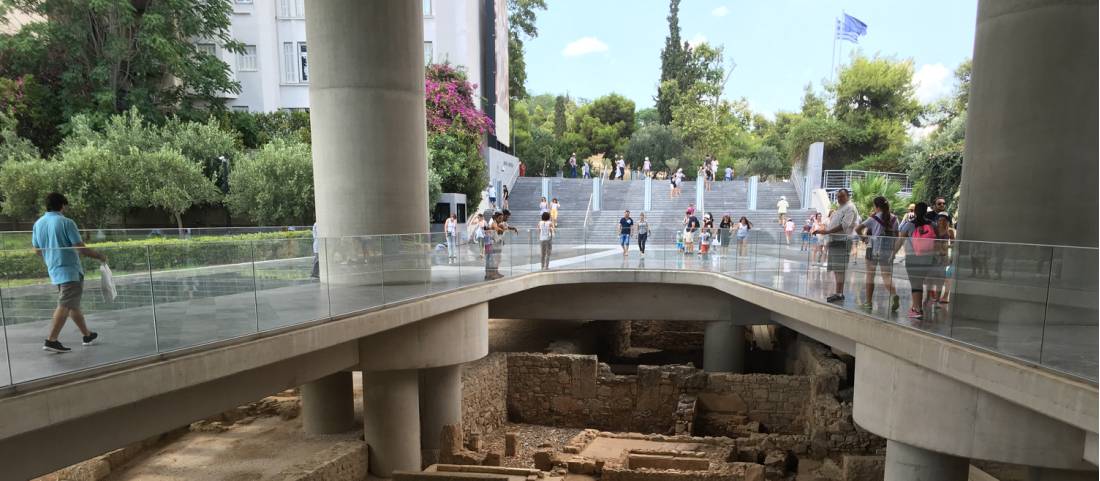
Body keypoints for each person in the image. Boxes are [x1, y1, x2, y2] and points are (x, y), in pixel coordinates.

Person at [32, 193, 107, 353]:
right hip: (70, 271)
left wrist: (52, 254)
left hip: (54, 269)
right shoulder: (66, 222)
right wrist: (100, 256)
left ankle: (87, 335)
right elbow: (80, 248)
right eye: (65, 206)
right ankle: (51, 340)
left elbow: (37, 250)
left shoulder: (38, 224)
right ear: (62, 206)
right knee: (65, 304)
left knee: (72, 304)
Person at [855, 196, 900, 312]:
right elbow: (897, 236)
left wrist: (864, 238)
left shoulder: (873, 219)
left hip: (872, 249)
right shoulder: (895, 219)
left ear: (877, 207)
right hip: (887, 250)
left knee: (870, 276)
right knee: (886, 276)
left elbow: (857, 229)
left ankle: (868, 303)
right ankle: (894, 294)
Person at [814, 188, 858, 303]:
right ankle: (838, 292)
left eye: (842, 196)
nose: (839, 199)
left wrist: (827, 232)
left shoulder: (850, 207)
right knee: (836, 269)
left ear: (847, 196)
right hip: (834, 240)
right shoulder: (841, 207)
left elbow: (844, 225)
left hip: (842, 241)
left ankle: (839, 293)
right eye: (838, 196)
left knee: (840, 269)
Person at [898, 202, 937, 319]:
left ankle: (917, 309)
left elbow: (900, 240)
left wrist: (893, 253)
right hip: (928, 257)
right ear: (926, 212)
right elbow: (939, 240)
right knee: (920, 281)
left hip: (913, 256)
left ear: (914, 211)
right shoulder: (932, 224)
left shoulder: (910, 225)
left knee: (915, 283)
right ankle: (918, 307)